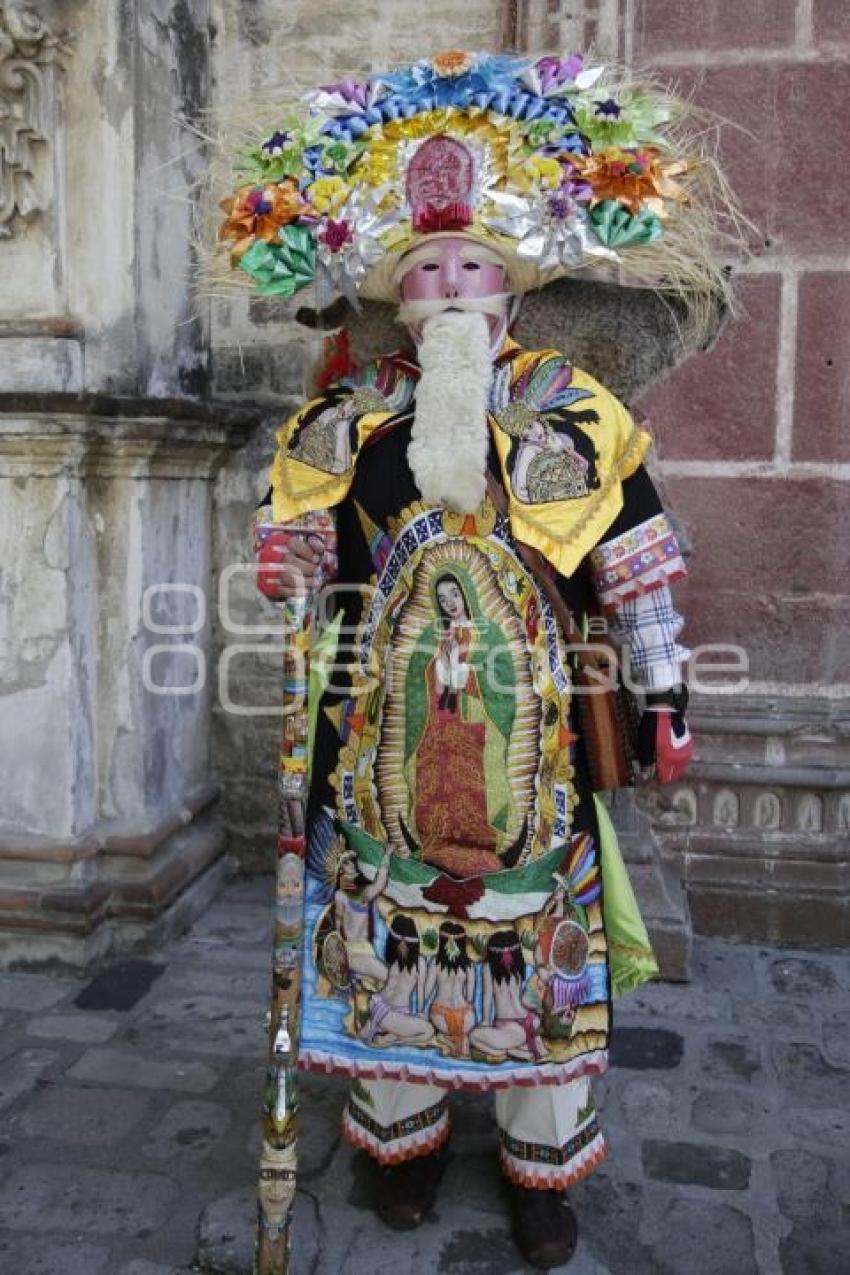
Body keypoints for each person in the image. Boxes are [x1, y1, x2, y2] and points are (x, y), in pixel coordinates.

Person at [217, 49, 739, 1268]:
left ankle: (538, 1163)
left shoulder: (574, 413)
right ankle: (396, 1139)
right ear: (397, 298)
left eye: (472, 267)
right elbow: (305, 554)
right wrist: (290, 569)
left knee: (531, 938)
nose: (450, 286)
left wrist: (661, 694)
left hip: (535, 732)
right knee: (380, 925)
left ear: (509, 287)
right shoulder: (340, 425)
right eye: (428, 270)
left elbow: (634, 564)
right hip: (376, 727)